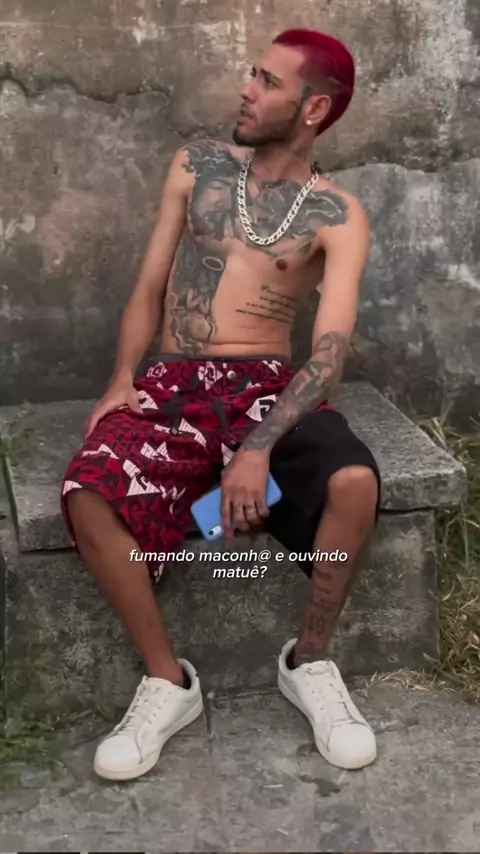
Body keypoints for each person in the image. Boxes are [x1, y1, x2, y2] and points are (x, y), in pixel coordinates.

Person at [61, 27, 381, 782]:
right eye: (252, 73)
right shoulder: (195, 166)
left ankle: (308, 661)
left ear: (314, 109)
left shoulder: (338, 214)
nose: (246, 88)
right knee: (87, 491)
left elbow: (329, 351)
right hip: (174, 385)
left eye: (268, 81)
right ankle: (167, 680)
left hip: (270, 387)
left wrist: (260, 447)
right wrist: (121, 378)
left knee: (354, 482)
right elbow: (148, 288)